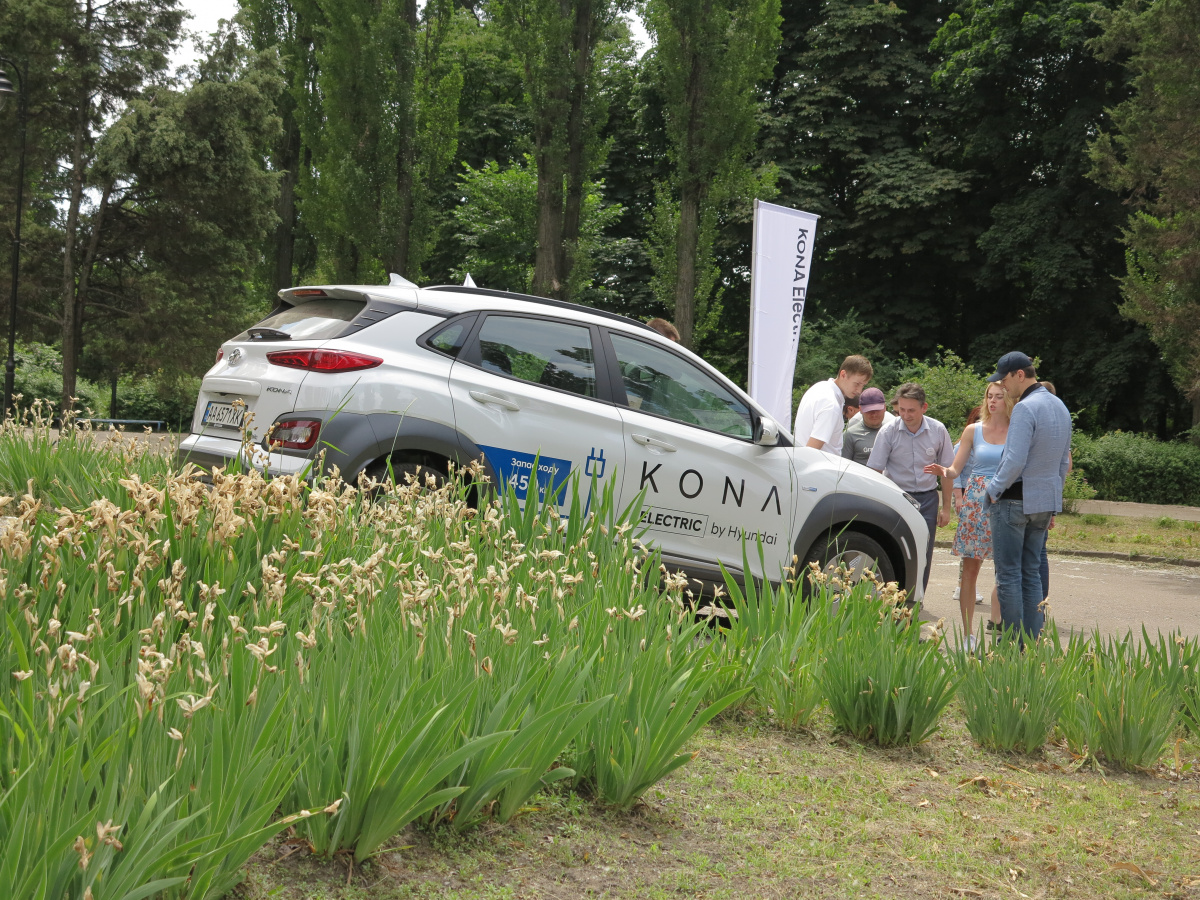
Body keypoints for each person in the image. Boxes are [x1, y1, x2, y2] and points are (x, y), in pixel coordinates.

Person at [983, 352, 1072, 641]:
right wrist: (1054, 502)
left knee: (1008, 574)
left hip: (1014, 502)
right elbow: (1063, 462)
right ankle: (1031, 645)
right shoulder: (1060, 406)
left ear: (1020, 374)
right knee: (1032, 572)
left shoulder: (1024, 408)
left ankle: (1012, 645)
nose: (1003, 386)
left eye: (1004, 380)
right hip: (1044, 502)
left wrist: (993, 490)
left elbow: (1014, 460)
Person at [924, 384, 1013, 649]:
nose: (993, 401)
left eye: (999, 396)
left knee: (1007, 571)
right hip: (976, 502)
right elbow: (955, 469)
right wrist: (944, 471)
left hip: (1006, 500)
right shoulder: (973, 430)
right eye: (989, 396)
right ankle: (967, 636)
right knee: (970, 571)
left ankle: (1007, 632)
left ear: (1009, 400)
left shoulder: (1018, 430)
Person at [866, 383, 955, 594]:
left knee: (924, 550)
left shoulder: (938, 430)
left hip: (928, 499)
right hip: (897, 497)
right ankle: (892, 595)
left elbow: (947, 471)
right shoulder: (888, 431)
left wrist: (946, 508)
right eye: (901, 410)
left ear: (924, 407)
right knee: (893, 546)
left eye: (911, 410)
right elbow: (874, 471)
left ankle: (917, 597)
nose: (905, 415)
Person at [793, 355, 873, 457]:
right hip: (818, 464)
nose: (859, 391)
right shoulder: (831, 405)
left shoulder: (818, 387)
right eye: (857, 384)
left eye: (863, 385)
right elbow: (810, 451)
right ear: (843, 374)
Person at [841, 387, 891, 466]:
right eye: (869, 411)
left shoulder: (891, 433)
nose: (874, 414)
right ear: (860, 409)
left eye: (877, 410)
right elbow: (842, 467)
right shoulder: (850, 435)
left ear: (885, 407)